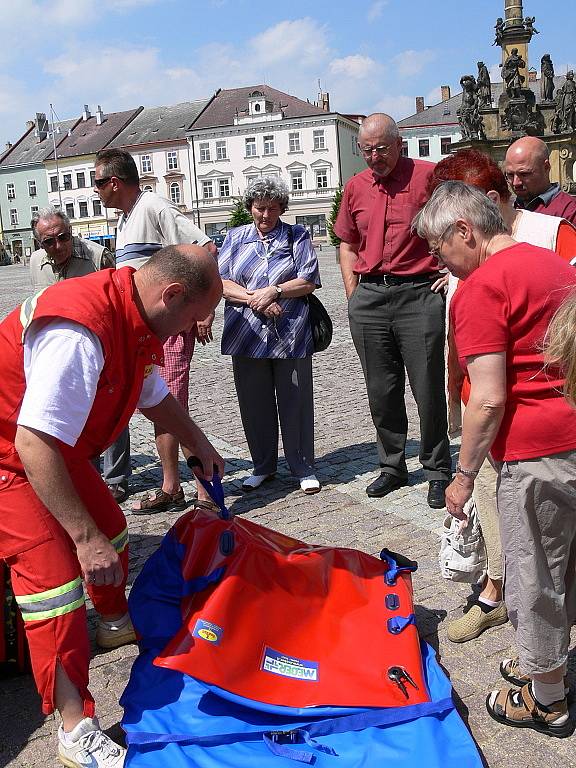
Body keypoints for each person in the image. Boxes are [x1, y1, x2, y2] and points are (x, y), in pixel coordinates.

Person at [0, 244, 224, 766]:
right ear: (170, 295)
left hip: (55, 449)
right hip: (12, 457)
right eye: (192, 320)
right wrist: (81, 539)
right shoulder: (81, 332)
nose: (191, 333)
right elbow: (33, 444)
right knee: (53, 587)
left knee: (114, 531)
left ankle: (111, 622)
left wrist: (200, 445)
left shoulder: (132, 313)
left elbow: (153, 395)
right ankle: (74, 726)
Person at [414, 181, 576, 738]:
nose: (441, 262)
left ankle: (546, 695)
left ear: (466, 230)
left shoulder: (481, 286)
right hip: (572, 435)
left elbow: (486, 396)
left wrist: (462, 477)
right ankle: (544, 661)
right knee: (565, 565)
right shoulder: (553, 264)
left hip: (534, 451)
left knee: (534, 575)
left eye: (440, 249)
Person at [333, 113, 451, 508]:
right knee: (381, 390)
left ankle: (437, 469)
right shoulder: (356, 186)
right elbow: (347, 244)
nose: (373, 157)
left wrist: (450, 270)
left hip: (418, 294)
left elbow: (458, 224)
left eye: (381, 148)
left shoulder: (428, 177)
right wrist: (353, 294)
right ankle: (392, 465)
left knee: (427, 388)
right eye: (366, 150)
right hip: (370, 298)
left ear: (398, 143)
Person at [94, 148, 218, 513]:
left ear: (114, 182)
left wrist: (203, 310)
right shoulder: (127, 218)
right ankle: (170, 486)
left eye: (98, 182)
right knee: (155, 405)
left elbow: (205, 248)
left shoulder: (153, 207)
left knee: (173, 406)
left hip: (171, 326)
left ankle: (206, 492)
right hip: (146, 331)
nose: (95, 190)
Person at [218, 177, 321, 494]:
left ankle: (303, 466)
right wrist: (255, 299)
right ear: (250, 207)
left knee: (296, 401)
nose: (266, 215)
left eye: (273, 209)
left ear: (282, 209)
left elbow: (309, 280)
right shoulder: (235, 238)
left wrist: (275, 291)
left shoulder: (297, 235)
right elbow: (219, 281)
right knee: (254, 403)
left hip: (290, 332)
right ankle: (262, 465)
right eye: (260, 208)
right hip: (246, 333)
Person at [29, 206, 132, 503]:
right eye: (49, 242)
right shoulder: (36, 262)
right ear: (40, 243)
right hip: (59, 350)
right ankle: (86, 475)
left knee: (111, 412)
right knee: (75, 414)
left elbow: (119, 303)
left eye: (64, 238)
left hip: (102, 345)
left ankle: (116, 479)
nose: (58, 246)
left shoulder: (98, 257)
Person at [504, 136, 576, 224]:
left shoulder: (570, 211)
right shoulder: (506, 209)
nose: (516, 183)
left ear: (546, 167)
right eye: (510, 175)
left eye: (524, 174)